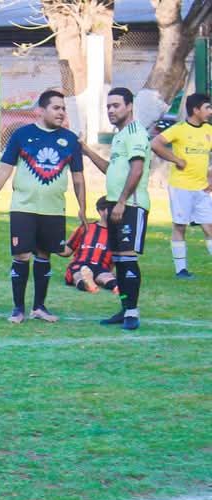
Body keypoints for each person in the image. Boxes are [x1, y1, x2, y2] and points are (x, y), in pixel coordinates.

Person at [0, 89, 87, 324]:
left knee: (44, 255)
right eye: (56, 108)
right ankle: (18, 308)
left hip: (54, 210)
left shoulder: (70, 140)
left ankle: (39, 307)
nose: (62, 112)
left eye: (63, 108)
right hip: (23, 207)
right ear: (40, 111)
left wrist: (82, 207)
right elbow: (5, 169)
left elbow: (78, 177)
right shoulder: (22, 135)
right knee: (22, 255)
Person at [81, 87, 151, 331]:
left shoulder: (135, 132)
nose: (111, 110)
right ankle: (125, 308)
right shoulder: (120, 135)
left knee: (127, 258)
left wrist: (121, 201)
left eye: (116, 105)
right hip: (116, 205)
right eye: (108, 106)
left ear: (129, 106)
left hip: (130, 205)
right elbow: (111, 169)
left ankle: (132, 312)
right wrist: (88, 151)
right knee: (119, 260)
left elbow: (137, 169)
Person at [150, 92, 212, 279]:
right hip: (181, 187)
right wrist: (176, 159)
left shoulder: (209, 130)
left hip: (201, 188)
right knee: (180, 226)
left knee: (209, 227)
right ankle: (181, 270)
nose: (210, 111)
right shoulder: (179, 129)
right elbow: (156, 143)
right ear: (195, 110)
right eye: (207, 107)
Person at [61, 196, 118, 294]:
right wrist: (48, 245)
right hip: (80, 264)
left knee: (105, 276)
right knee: (78, 274)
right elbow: (67, 251)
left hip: (101, 267)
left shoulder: (117, 234)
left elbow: (120, 258)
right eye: (112, 209)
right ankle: (87, 284)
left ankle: (115, 286)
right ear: (101, 211)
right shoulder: (86, 228)